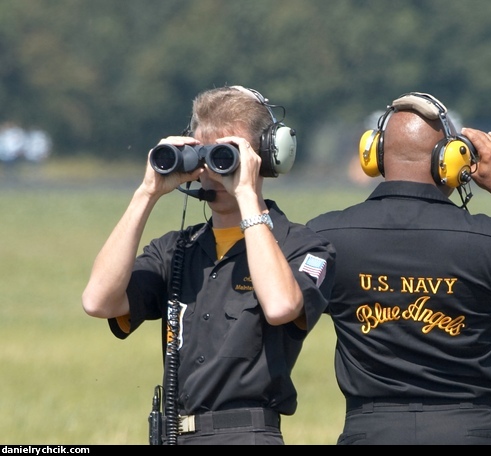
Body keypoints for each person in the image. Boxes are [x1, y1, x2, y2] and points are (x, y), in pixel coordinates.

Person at [306, 92, 491, 445]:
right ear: (452, 161)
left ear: (375, 155)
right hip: (472, 430)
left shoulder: (325, 238)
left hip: (372, 431)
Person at [82, 85, 335, 445]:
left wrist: (246, 194)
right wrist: (147, 193)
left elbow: (281, 306)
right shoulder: (176, 249)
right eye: (206, 154)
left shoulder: (302, 247)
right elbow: (98, 301)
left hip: (247, 434)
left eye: (227, 154)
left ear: (267, 154)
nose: (213, 169)